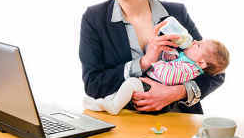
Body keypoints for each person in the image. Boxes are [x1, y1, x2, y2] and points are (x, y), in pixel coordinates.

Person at [79, 0, 225, 114]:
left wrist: (175, 92)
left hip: (178, 121)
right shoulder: (94, 19)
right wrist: (143, 62)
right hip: (126, 122)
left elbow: (215, 72)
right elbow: (93, 85)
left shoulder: (176, 13)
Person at [83, 38, 229, 115]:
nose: (195, 41)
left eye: (199, 45)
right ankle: (104, 104)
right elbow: (171, 61)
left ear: (202, 62)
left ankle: (113, 107)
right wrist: (168, 54)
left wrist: (152, 62)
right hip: (147, 86)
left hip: (152, 88)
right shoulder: (188, 59)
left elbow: (168, 76)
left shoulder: (190, 69)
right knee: (121, 89)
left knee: (131, 83)